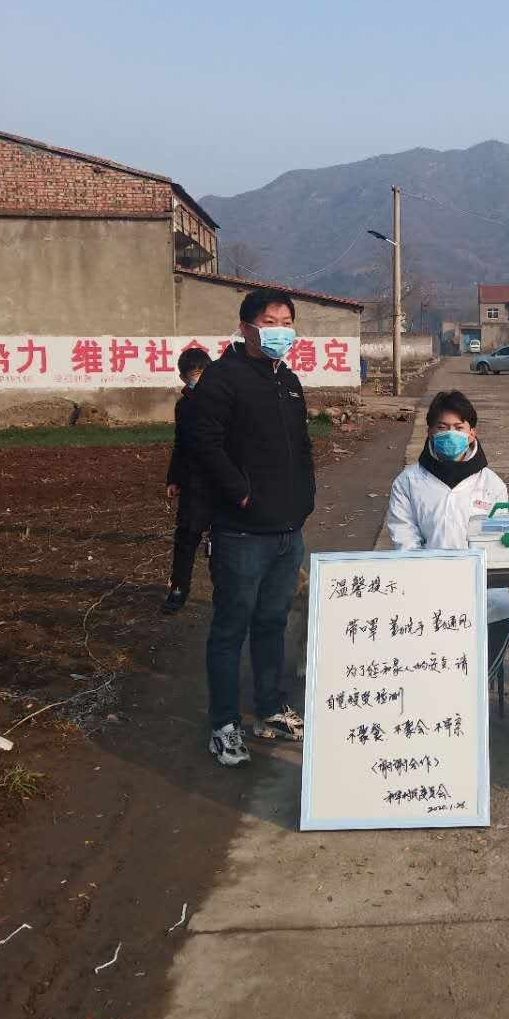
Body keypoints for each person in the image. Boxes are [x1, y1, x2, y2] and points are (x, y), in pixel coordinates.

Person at [190, 288, 315, 766]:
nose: (280, 330)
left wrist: (305, 497)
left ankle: (269, 709)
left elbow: (301, 445)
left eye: (286, 322)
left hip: (287, 531)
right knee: (230, 629)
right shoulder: (223, 379)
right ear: (246, 328)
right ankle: (224, 725)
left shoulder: (289, 381)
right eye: (269, 321)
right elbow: (204, 444)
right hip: (241, 532)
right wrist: (240, 493)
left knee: (272, 623)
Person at [386, 390, 509, 678]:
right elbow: (404, 538)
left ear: (472, 433)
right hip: (425, 580)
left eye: (459, 427)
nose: (451, 434)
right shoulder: (408, 482)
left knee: (501, 612)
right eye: (442, 427)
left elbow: (498, 543)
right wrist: (433, 575)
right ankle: (435, 682)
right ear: (430, 432)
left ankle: (475, 684)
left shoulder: (492, 484)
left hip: (481, 581)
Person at [162, 346, 212, 615]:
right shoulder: (183, 407)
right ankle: (179, 589)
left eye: (205, 373)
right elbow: (180, 444)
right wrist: (174, 478)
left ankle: (224, 590)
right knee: (186, 538)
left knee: (223, 542)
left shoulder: (226, 401)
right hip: (193, 483)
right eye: (195, 375)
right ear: (184, 378)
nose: (200, 380)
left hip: (221, 483)